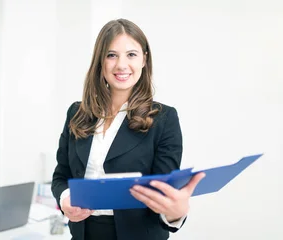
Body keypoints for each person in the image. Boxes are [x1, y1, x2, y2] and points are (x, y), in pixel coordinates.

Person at [51, 18, 206, 240]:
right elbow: (60, 177)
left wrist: (175, 214)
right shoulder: (77, 113)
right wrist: (65, 199)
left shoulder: (164, 119)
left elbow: (163, 195)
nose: (121, 65)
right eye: (112, 55)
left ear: (144, 59)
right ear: (100, 61)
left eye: (131, 54)